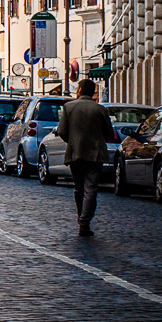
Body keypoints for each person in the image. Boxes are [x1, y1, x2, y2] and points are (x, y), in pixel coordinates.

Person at [56, 77, 116, 237]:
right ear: (93, 92)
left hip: (75, 152)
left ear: (79, 90)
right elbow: (110, 134)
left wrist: (73, 140)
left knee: (79, 187)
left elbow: (61, 131)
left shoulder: (69, 107)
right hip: (95, 154)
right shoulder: (100, 109)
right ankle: (84, 223)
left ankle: (80, 218)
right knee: (91, 189)